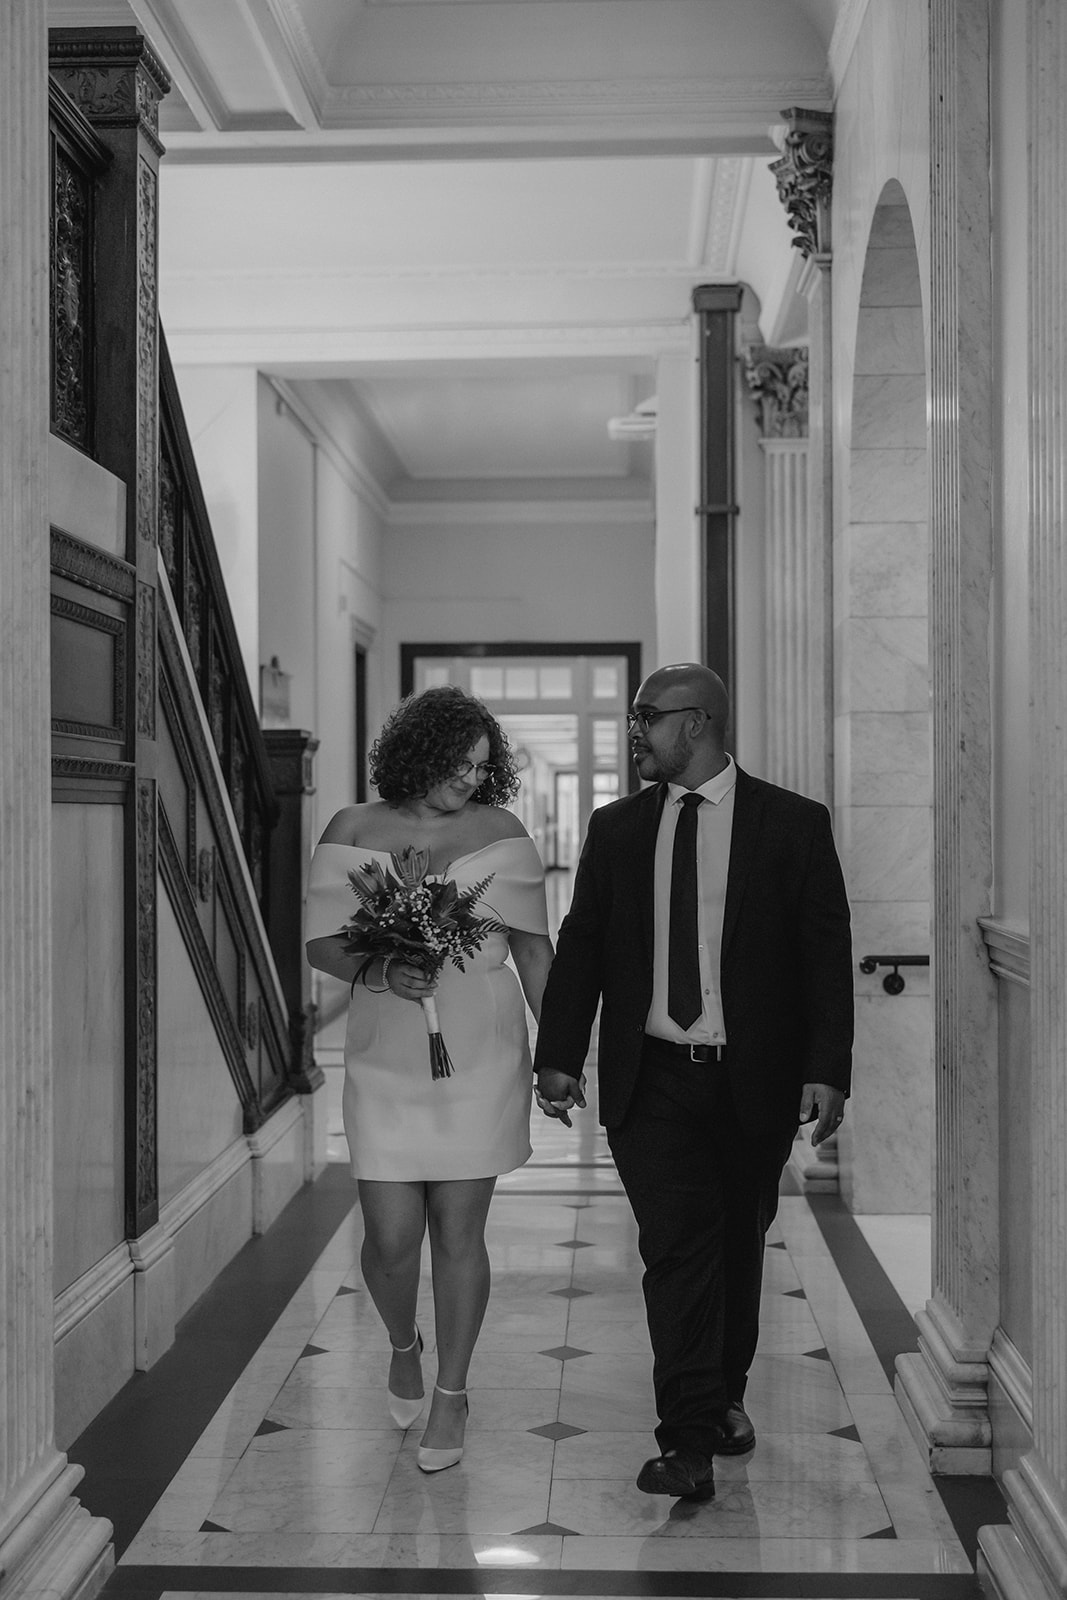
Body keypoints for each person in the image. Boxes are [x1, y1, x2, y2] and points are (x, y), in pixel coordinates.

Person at [533, 663, 853, 1503]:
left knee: (738, 1245)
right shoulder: (617, 829)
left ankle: (725, 1395)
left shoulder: (791, 825)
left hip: (753, 1079)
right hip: (654, 1080)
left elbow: (823, 959)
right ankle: (686, 1443)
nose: (634, 730)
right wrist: (558, 1054)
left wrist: (827, 1069)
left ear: (698, 723)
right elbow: (585, 947)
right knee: (677, 1253)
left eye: (647, 716)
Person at [305, 685, 553, 1474]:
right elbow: (319, 946)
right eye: (458, 765)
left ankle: (451, 1394)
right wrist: (382, 961)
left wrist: (563, 1052)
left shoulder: (501, 832)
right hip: (385, 1052)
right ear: (418, 753)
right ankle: (402, 1343)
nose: (470, 782)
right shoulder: (352, 828)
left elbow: (533, 952)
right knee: (388, 1237)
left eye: (483, 769)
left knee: (457, 1231)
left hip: (481, 1047)